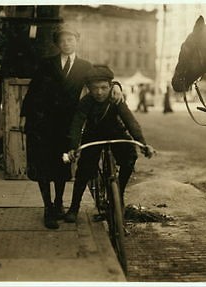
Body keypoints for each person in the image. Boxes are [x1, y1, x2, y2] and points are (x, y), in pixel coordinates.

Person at [20, 24, 123, 229]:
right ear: (57, 43)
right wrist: (25, 116)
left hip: (67, 123)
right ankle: (48, 208)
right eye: (62, 40)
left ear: (77, 41)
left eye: (71, 39)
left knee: (62, 165)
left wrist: (117, 87)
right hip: (43, 122)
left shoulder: (85, 66)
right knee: (43, 164)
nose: (67, 43)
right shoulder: (47, 64)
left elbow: (103, 79)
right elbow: (33, 92)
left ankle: (59, 203)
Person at [64, 65, 154, 223]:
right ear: (89, 88)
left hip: (115, 132)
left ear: (111, 86)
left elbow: (130, 121)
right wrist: (73, 147)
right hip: (93, 135)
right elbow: (77, 123)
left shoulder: (115, 99)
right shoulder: (86, 101)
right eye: (95, 88)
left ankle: (119, 192)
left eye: (104, 88)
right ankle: (74, 207)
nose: (99, 92)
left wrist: (143, 144)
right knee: (84, 170)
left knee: (129, 157)